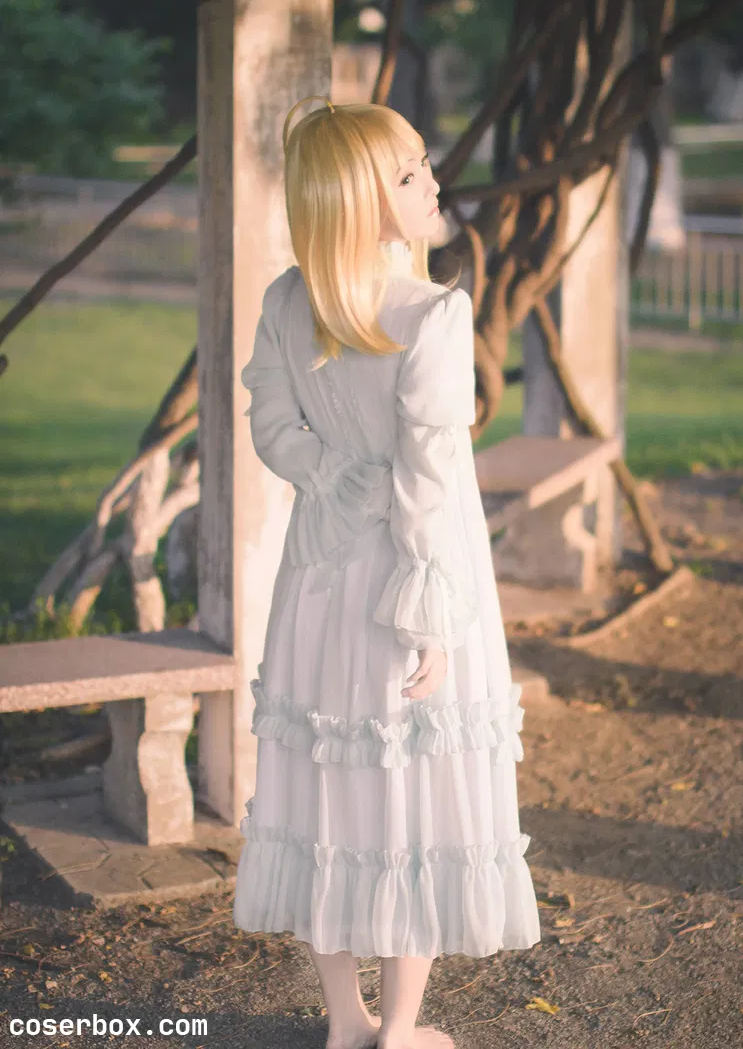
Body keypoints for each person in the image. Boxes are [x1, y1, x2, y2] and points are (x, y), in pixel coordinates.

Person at [232, 96, 540, 1049]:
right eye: (409, 174)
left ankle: (346, 1020)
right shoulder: (432, 314)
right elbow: (429, 480)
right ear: (359, 201)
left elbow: (271, 425)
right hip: (413, 582)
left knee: (327, 790)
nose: (433, 182)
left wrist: (331, 476)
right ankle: (398, 1029)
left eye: (423, 164)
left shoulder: (287, 302)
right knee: (412, 796)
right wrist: (430, 615)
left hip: (320, 582)